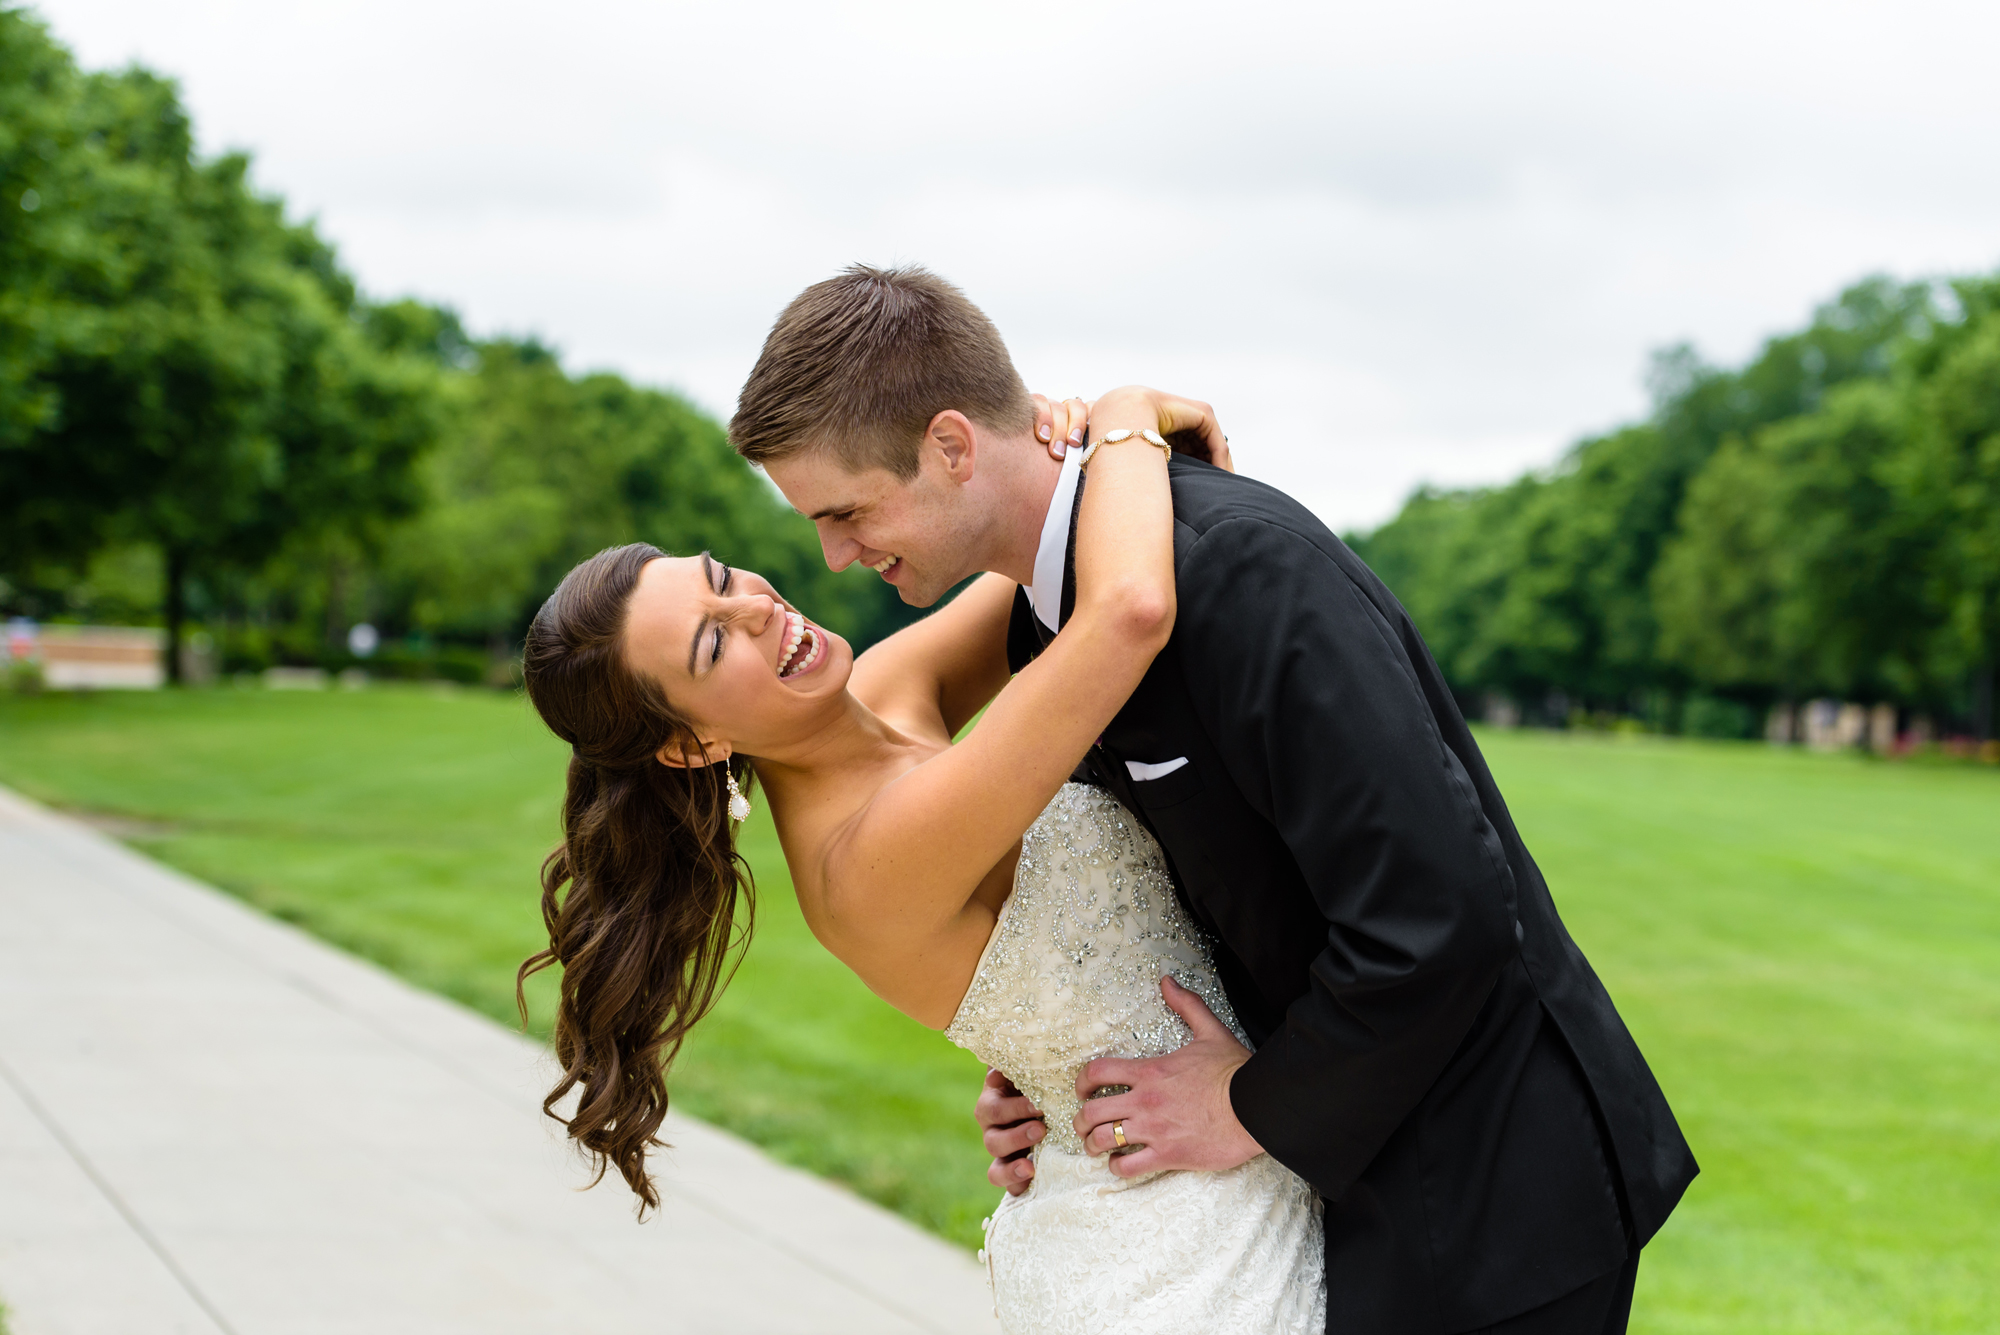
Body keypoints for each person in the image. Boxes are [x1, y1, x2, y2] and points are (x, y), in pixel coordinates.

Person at [727, 266, 1698, 1335]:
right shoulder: (1046, 619)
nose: (831, 553)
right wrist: (1058, 1078)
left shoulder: (1238, 572)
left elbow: (1440, 916)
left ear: (952, 446)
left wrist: (1245, 1104)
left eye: (845, 510)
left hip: (1486, 1197)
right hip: (1331, 1191)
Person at [519, 372, 1326, 1333]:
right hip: (1177, 1253)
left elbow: (1033, 541)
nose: (758, 612)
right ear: (692, 745)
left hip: (1227, 1144)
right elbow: (1125, 613)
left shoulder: (891, 687)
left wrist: (1056, 447)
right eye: (710, 646)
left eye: (724, 580)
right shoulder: (864, 861)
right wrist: (1123, 415)